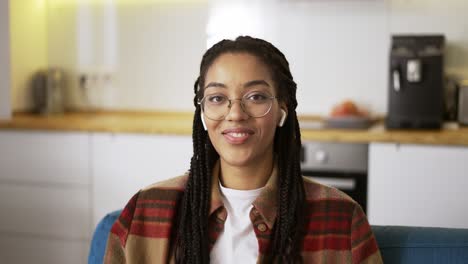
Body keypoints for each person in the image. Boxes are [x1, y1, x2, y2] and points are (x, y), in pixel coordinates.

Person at [104, 36, 383, 263]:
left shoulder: (342, 218)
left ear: (282, 108)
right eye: (217, 98)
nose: (235, 113)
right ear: (202, 112)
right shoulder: (145, 210)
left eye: (256, 97)